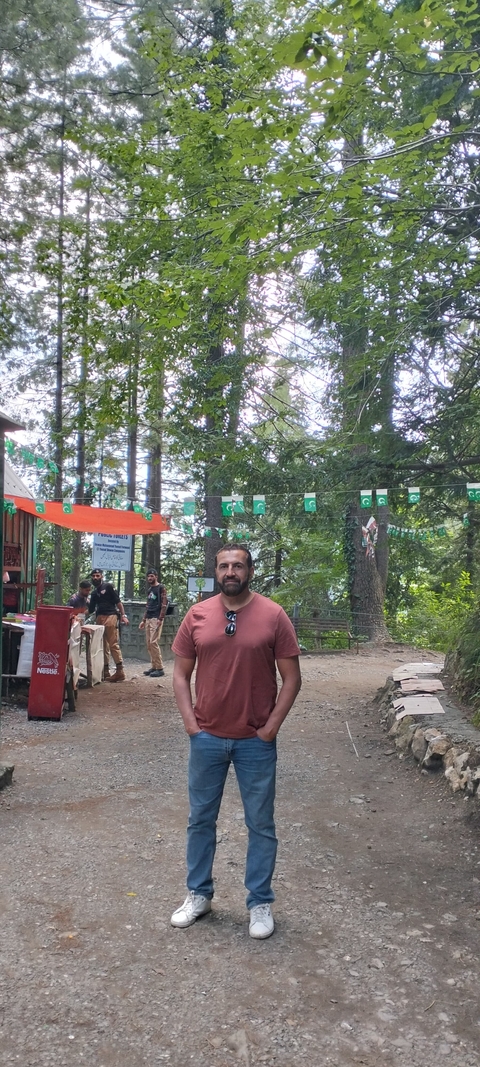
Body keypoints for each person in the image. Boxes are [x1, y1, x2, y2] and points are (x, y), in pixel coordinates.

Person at [170, 544, 301, 940]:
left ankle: (259, 902)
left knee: (261, 823)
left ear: (250, 570)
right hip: (207, 738)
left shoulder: (273, 616)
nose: (231, 571)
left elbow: (292, 679)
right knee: (200, 821)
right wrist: (192, 725)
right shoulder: (198, 615)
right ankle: (199, 895)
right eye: (225, 565)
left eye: (238, 565)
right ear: (216, 570)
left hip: (255, 742)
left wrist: (271, 729)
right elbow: (180, 675)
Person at [89, 568, 129, 682]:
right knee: (103, 646)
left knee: (113, 644)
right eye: (94, 576)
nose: (95, 578)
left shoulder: (108, 587)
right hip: (99, 618)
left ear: (101, 576)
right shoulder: (94, 593)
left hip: (111, 616)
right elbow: (90, 609)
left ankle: (120, 671)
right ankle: (105, 671)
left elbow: (118, 602)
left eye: (97, 575)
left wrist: (123, 615)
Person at [139, 568, 168, 678]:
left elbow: (164, 603)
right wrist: (143, 620)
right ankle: (154, 666)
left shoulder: (161, 588)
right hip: (149, 618)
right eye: (148, 576)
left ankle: (160, 668)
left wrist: (160, 618)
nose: (150, 578)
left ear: (156, 576)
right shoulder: (150, 590)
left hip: (156, 618)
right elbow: (148, 605)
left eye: (152, 576)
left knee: (153, 642)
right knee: (148, 643)